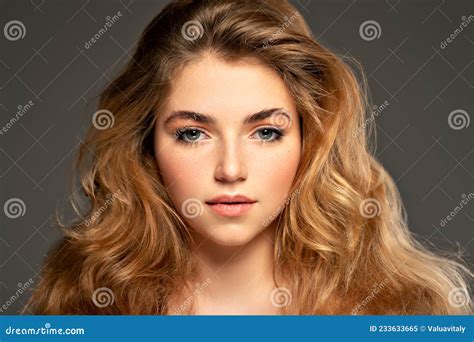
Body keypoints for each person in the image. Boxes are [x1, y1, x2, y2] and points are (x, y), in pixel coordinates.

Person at [24, 0, 472, 315]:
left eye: (266, 132)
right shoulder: (84, 311)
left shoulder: (400, 314)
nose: (231, 169)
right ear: (146, 146)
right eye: (193, 133)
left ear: (308, 140)